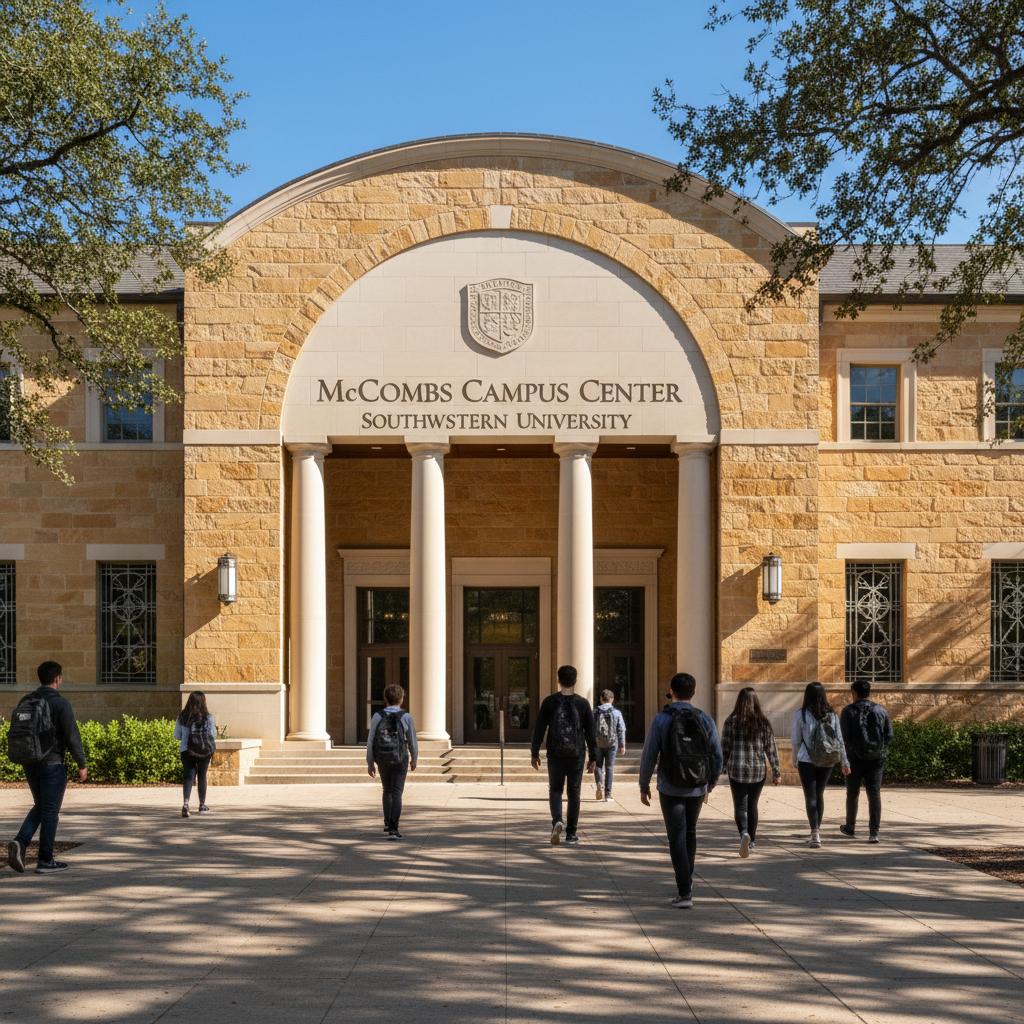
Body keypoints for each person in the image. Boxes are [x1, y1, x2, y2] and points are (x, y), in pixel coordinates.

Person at [639, 672, 722, 909]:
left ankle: (684, 892)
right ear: (693, 693)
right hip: (697, 786)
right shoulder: (705, 719)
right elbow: (717, 755)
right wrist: (710, 783)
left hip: (670, 786)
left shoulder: (661, 719)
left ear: (671, 691)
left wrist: (644, 785)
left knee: (676, 836)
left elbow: (649, 755)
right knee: (690, 833)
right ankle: (687, 883)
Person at [7, 661, 87, 875]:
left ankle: (20, 842)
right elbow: (72, 736)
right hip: (52, 764)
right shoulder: (61, 703)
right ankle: (45, 860)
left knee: (41, 806)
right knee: (50, 811)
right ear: (58, 678)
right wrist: (81, 764)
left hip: (30, 762)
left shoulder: (27, 700)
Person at [531, 665, 596, 846]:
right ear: (575, 681)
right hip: (577, 754)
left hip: (555, 753)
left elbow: (539, 729)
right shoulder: (583, 703)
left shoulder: (549, 702)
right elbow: (591, 732)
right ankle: (571, 833)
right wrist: (593, 757)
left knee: (555, 789)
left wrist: (534, 753)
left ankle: (557, 821)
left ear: (558, 680)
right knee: (574, 792)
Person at [721, 686, 781, 857]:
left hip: (737, 769)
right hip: (757, 770)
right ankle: (752, 842)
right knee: (752, 805)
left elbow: (724, 748)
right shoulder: (762, 722)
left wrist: (719, 770)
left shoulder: (731, 721)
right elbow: (771, 749)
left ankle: (743, 833)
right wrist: (776, 772)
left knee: (740, 806)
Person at [791, 681, 850, 848]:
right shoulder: (832, 714)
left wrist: (795, 759)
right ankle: (817, 831)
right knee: (819, 794)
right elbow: (839, 740)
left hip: (806, 759)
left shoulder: (801, 714)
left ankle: (814, 833)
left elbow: (795, 740)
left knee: (810, 796)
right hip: (827, 759)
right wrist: (844, 762)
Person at [839, 679, 894, 843]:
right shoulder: (881, 710)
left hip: (854, 758)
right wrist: (877, 747)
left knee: (852, 793)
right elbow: (889, 735)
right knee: (874, 793)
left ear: (854, 693)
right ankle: (874, 832)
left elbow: (843, 737)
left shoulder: (848, 711)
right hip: (876, 759)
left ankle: (850, 826)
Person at [366, 683, 417, 840]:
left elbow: (371, 740)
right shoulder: (406, 717)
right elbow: (412, 741)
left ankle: (388, 822)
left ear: (385, 698)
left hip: (382, 758)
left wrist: (370, 762)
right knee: (397, 792)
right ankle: (394, 829)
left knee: (387, 790)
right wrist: (414, 758)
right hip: (401, 758)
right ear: (402, 699)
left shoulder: (378, 716)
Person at [174, 691, 217, 818]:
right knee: (202, 775)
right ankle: (202, 804)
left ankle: (186, 804)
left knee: (188, 776)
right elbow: (213, 735)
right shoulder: (208, 717)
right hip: (204, 750)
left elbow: (177, 735)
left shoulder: (183, 716)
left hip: (186, 750)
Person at [593, 688, 626, 802]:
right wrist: (622, 745)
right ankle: (608, 793)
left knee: (598, 765)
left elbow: (589, 728)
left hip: (597, 743)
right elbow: (621, 729)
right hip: (612, 743)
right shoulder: (616, 712)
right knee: (609, 767)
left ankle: (599, 783)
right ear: (612, 699)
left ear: (601, 699)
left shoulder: (595, 712)